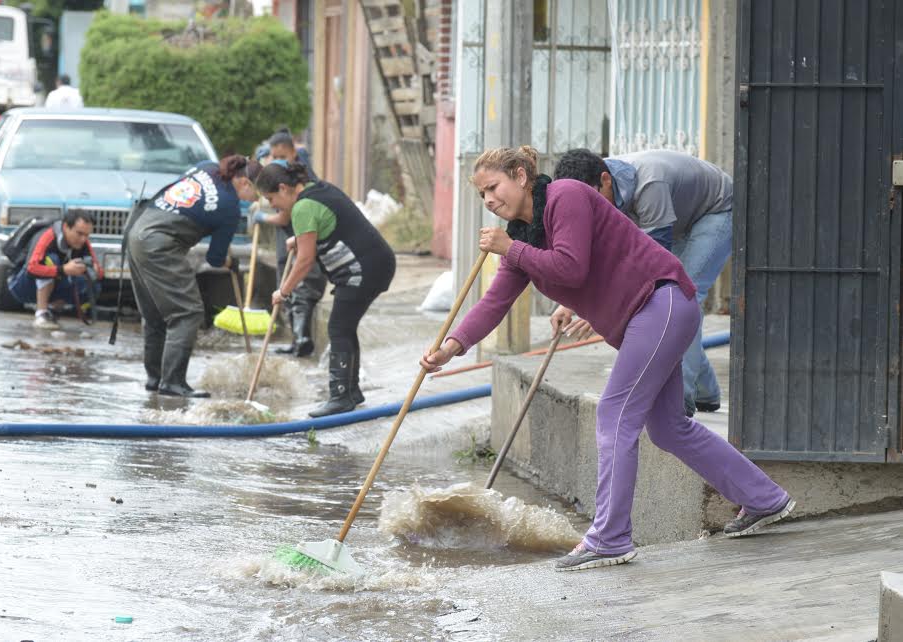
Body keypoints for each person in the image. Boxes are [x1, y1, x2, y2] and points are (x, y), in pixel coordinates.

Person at [419, 146, 794, 572]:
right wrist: (451, 346)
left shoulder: (566, 196)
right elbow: (493, 303)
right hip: (650, 317)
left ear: (521, 176)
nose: (488, 200)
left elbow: (571, 267)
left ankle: (610, 538)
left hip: (661, 303)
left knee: (614, 415)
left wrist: (510, 248)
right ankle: (765, 499)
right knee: (669, 428)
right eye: (481, 194)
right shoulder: (522, 235)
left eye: (493, 187)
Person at [554, 148, 733, 417]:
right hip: (678, 216)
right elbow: (594, 254)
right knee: (672, 302)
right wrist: (568, 303)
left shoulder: (650, 184)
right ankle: (705, 391)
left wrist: (603, 308)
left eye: (591, 198)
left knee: (682, 297)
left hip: (715, 210)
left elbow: (652, 269)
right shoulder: (596, 194)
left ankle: (679, 400)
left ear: (604, 179)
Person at [255, 161, 396, 417]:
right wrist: (297, 239)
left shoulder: (303, 207)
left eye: (271, 198)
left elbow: (305, 261)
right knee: (345, 325)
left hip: (362, 269)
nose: (273, 205)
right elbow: (326, 225)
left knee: (338, 327)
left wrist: (283, 291)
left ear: (284, 188)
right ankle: (351, 392)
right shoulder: (318, 190)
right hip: (377, 262)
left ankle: (340, 396)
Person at [127, 155, 261, 397]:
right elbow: (215, 259)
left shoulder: (207, 168)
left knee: (155, 314)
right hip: (159, 244)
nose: (255, 201)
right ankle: (173, 382)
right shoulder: (230, 207)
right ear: (244, 183)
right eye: (257, 194)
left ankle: (155, 378)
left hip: (137, 231)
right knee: (187, 312)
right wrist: (231, 262)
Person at [254, 128, 327, 357]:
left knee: (299, 286)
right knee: (287, 282)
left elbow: (285, 214)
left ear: (292, 152)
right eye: (273, 157)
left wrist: (263, 217)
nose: (277, 160)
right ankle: (297, 340)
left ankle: (302, 339)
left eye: (280, 156)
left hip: (300, 234)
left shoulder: (298, 178)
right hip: (289, 237)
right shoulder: (285, 173)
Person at [8, 212, 103, 330]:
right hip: (21, 284)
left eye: (87, 235)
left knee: (92, 284)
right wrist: (63, 270)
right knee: (51, 260)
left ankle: (53, 311)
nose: (83, 239)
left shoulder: (83, 243)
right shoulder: (47, 236)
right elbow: (31, 268)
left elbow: (99, 273)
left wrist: (91, 270)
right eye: (79, 234)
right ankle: (41, 314)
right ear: (66, 227)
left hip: (53, 284)